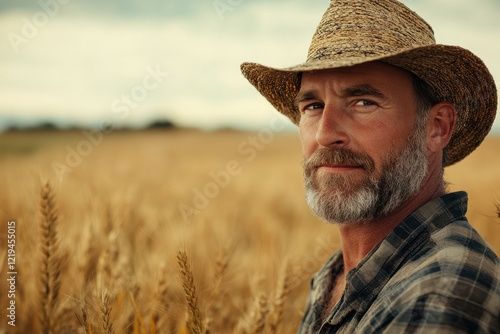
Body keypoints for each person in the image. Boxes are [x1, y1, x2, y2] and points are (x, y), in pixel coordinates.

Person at [241, 0, 500, 333]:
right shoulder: (340, 275)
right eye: (314, 105)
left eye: (363, 102)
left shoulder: (442, 294)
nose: (325, 134)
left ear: (436, 127)